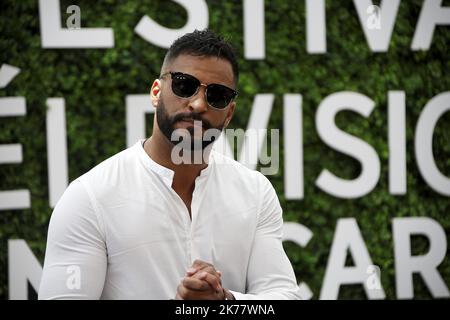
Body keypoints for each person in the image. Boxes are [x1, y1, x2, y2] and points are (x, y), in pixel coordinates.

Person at [38, 29, 301, 300]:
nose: (198, 104)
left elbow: (283, 295)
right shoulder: (89, 198)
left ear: (229, 114)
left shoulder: (255, 192)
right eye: (184, 85)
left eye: (217, 95)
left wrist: (226, 301)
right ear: (156, 91)